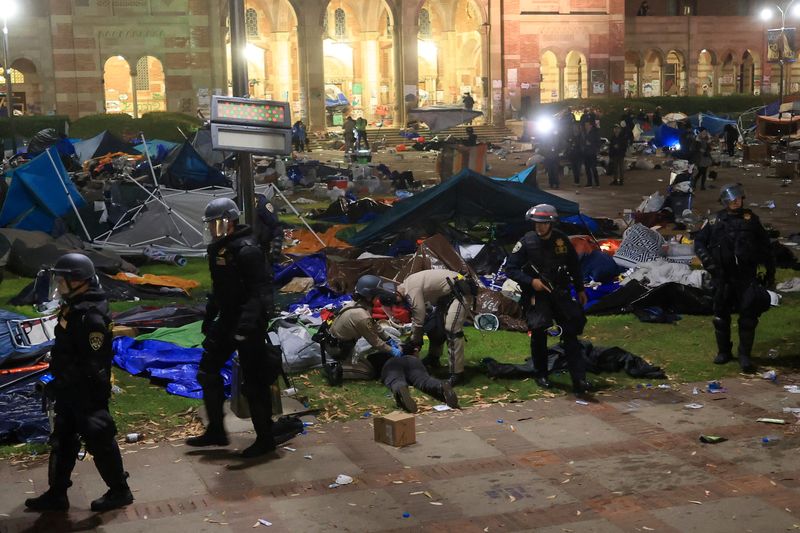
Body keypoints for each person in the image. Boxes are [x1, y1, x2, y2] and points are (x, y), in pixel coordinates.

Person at [25, 253, 133, 512]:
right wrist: (50, 379)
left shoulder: (90, 316)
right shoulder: (74, 307)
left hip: (87, 393)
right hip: (68, 390)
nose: (59, 286)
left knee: (100, 440)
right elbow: (65, 354)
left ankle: (120, 491)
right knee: (62, 441)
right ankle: (57, 494)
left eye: (63, 281)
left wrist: (57, 381)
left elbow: (89, 365)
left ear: (80, 281)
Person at [187, 198, 281, 458]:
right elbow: (220, 289)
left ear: (230, 221)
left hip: (248, 322)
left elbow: (260, 291)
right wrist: (210, 316)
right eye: (210, 225)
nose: (213, 229)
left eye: (217, 223)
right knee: (207, 372)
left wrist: (248, 324)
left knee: (254, 383)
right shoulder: (219, 249)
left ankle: (265, 439)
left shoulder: (247, 249)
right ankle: (216, 430)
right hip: (228, 319)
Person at [319, 275, 460, 413]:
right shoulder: (361, 315)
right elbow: (375, 340)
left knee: (392, 378)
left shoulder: (356, 307)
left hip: (385, 363)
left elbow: (375, 332)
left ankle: (399, 389)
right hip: (344, 350)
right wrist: (393, 348)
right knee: (421, 378)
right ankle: (440, 386)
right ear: (370, 295)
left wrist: (388, 341)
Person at [505, 205, 592, 396]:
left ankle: (579, 379)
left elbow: (573, 265)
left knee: (570, 333)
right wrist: (531, 281)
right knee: (539, 333)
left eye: (543, 223)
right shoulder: (526, 242)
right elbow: (510, 268)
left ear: (551, 223)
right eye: (536, 223)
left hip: (559, 293)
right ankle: (541, 374)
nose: (539, 227)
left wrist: (580, 288)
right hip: (537, 295)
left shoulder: (561, 240)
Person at [693, 184, 775, 373]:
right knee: (721, 316)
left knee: (748, 317)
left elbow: (765, 247)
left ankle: (744, 355)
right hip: (722, 276)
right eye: (731, 199)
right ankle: (724, 352)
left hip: (746, 276)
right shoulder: (714, 221)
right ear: (725, 201)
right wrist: (709, 262)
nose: (735, 202)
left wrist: (770, 272)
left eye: (738, 199)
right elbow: (699, 243)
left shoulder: (751, 220)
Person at [398, 269, 477, 387]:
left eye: (396, 302)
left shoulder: (410, 290)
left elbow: (419, 318)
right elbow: (423, 315)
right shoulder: (407, 283)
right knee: (435, 327)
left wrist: (415, 340)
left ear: (396, 294)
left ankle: (457, 373)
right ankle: (433, 358)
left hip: (459, 292)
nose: (397, 305)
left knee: (452, 330)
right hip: (445, 296)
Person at [581, 120, 601, 187]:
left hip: (592, 153)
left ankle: (597, 182)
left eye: (587, 125)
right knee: (587, 168)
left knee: (593, 168)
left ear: (590, 125)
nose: (586, 126)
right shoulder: (584, 133)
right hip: (586, 153)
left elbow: (598, 143)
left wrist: (591, 144)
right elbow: (582, 142)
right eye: (585, 125)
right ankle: (589, 183)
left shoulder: (594, 133)